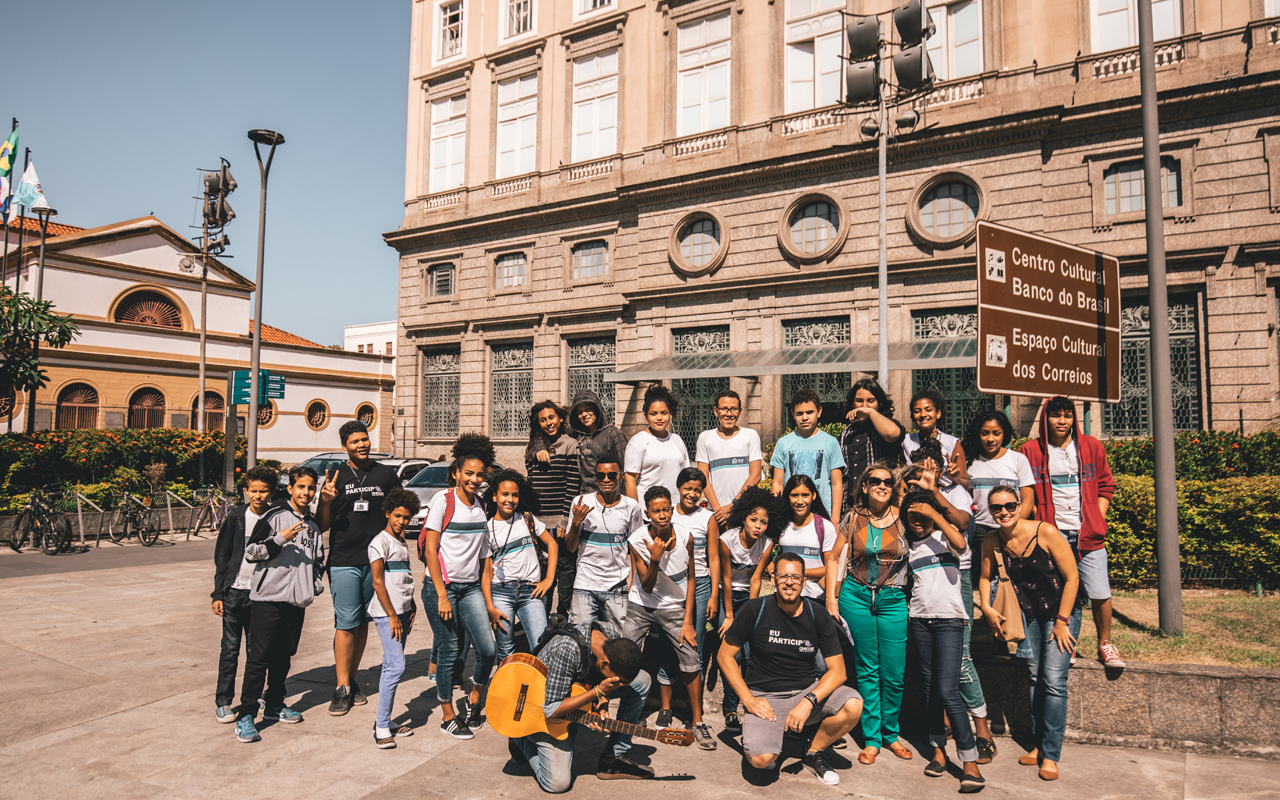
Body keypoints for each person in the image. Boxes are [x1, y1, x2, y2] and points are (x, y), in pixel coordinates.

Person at [717, 553, 864, 787]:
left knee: (853, 704)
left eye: (795, 577)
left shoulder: (818, 615)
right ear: (773, 578)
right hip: (767, 697)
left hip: (807, 691)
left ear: (804, 582)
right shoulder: (755, 609)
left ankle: (812, 751)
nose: (789, 582)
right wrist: (748, 700)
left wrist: (808, 701)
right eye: (783, 575)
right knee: (761, 761)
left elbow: (838, 671)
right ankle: (772, 737)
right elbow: (724, 656)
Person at [978, 485, 1080, 782]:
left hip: (1063, 612)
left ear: (1020, 505)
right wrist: (985, 606)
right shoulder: (992, 540)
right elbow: (985, 578)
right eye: (996, 508)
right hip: (1032, 615)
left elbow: (1073, 577)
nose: (1004, 512)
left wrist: (1062, 621)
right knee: (1035, 677)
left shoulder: (1044, 532)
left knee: (1054, 681)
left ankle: (1050, 753)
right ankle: (1038, 743)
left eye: (1010, 505)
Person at [901, 452, 997, 762]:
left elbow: (961, 533)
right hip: (920, 620)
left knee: (949, 686)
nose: (918, 523)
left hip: (950, 618)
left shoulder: (946, 529)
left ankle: (970, 753)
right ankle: (939, 750)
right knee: (931, 688)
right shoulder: (910, 545)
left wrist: (932, 501)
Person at [1019, 396, 1123, 668]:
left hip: (1087, 533)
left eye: (1067, 415)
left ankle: (1105, 644)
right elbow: (1025, 492)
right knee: (1059, 590)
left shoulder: (1091, 447)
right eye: (1056, 415)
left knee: (1100, 591)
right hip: (1052, 534)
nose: (1062, 421)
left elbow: (1106, 485)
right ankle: (1069, 644)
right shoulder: (1030, 450)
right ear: (1046, 418)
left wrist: (1096, 517)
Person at [232, 466, 326, 744]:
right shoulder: (273, 515)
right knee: (258, 658)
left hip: (296, 602)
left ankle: (274, 704)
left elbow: (318, 561)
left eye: (311, 488)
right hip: (267, 599)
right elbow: (251, 553)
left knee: (284, 656)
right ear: (290, 488)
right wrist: (279, 539)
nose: (306, 493)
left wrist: (314, 585)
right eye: (301, 487)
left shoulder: (313, 526)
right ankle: (246, 714)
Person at [505, 616, 654, 789]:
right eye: (616, 681)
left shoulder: (611, 635)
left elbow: (598, 678)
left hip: (575, 692)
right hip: (543, 707)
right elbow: (551, 709)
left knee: (642, 681)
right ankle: (520, 738)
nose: (617, 686)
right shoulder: (567, 650)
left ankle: (615, 757)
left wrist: (603, 701)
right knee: (557, 784)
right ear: (605, 662)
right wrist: (598, 692)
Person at [317, 420, 403, 716]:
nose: (362, 445)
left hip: (377, 561)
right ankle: (340, 688)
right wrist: (326, 501)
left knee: (364, 621)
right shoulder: (337, 476)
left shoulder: (386, 474)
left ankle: (351, 681)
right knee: (346, 623)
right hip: (344, 560)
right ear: (345, 446)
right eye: (355, 442)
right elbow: (322, 524)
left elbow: (399, 513)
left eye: (364, 439)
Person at [830, 462, 912, 765]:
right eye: (875, 480)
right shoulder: (853, 519)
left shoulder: (904, 519)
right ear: (864, 486)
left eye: (888, 482)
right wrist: (831, 599)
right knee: (867, 668)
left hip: (892, 599)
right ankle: (873, 739)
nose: (881, 485)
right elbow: (833, 556)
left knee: (894, 672)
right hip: (857, 596)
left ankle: (891, 733)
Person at [419, 433, 500, 740]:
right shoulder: (443, 500)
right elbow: (430, 549)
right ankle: (447, 714)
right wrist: (441, 593)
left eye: (479, 475)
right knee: (451, 650)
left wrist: (489, 603)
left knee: (487, 649)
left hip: (471, 590)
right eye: (468, 473)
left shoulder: (481, 506)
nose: (474, 479)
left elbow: (483, 559)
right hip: (442, 588)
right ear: (455, 473)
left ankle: (475, 699)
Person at [623, 486, 716, 750]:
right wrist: (654, 558)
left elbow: (691, 576)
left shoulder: (686, 536)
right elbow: (648, 585)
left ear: (671, 509)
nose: (662, 515)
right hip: (642, 603)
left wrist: (688, 621)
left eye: (665, 510)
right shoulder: (638, 539)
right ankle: (629, 716)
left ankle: (698, 723)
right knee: (626, 655)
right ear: (647, 513)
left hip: (675, 604)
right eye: (656, 511)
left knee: (690, 657)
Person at [653, 467, 719, 730]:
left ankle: (696, 713)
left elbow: (713, 558)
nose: (692, 494)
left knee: (696, 647)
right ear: (678, 488)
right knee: (668, 647)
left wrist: (714, 594)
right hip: (671, 587)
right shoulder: (668, 516)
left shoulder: (708, 518)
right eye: (688, 488)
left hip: (701, 585)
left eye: (697, 490)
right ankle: (666, 708)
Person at [211, 465, 278, 723]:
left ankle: (253, 695)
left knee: (256, 651)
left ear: (271, 492)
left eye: (263, 491)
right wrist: (218, 593)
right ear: (245, 490)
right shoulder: (237, 517)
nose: (257, 496)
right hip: (233, 593)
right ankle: (223, 701)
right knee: (229, 649)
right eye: (253, 491)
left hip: (260, 596)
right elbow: (223, 557)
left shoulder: (274, 518)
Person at [716, 486, 777, 731]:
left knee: (752, 654)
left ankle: (753, 705)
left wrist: (751, 616)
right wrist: (730, 616)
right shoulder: (727, 540)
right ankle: (731, 710)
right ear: (743, 518)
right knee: (734, 654)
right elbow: (727, 579)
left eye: (763, 522)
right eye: (753, 520)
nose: (758, 526)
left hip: (750, 599)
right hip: (727, 597)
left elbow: (755, 580)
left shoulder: (766, 543)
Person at [482, 469, 558, 662]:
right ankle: (506, 690)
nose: (510, 499)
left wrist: (548, 579)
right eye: (505, 494)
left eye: (514, 495)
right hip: (501, 591)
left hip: (530, 593)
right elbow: (485, 571)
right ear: (494, 496)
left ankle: (540, 690)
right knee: (505, 648)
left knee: (542, 646)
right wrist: (489, 606)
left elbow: (552, 544)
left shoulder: (527, 519)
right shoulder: (487, 528)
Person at [565, 455, 643, 634]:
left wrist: (633, 583)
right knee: (581, 641)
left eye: (611, 475)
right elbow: (570, 547)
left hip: (617, 587)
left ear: (620, 476)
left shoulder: (631, 507)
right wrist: (576, 523)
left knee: (620, 642)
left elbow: (636, 550)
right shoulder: (580, 502)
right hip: (584, 585)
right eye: (601, 476)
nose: (606, 480)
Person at [369, 488, 421, 748]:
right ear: (387, 513)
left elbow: (404, 579)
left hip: (402, 612)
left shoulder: (401, 542)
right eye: (398, 516)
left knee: (391, 666)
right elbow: (378, 582)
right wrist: (392, 615)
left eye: (407, 517)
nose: (402, 521)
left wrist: (410, 608)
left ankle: (386, 720)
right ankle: (380, 727)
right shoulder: (380, 542)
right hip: (386, 613)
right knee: (397, 667)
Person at [525, 400, 582, 616]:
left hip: (559, 521)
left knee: (566, 569)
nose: (549, 423)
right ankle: (541, 615)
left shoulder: (570, 444)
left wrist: (565, 520)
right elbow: (531, 484)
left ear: (560, 419)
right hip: (538, 522)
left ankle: (562, 614)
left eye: (551, 418)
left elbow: (572, 484)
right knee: (541, 571)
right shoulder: (533, 446)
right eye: (543, 420)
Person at [770, 387, 846, 523]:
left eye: (809, 412)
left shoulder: (830, 443)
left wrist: (835, 519)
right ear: (792, 414)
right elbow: (777, 483)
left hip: (823, 516)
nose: (804, 417)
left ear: (819, 412)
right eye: (800, 413)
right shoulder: (783, 443)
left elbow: (836, 484)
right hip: (790, 515)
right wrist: (776, 515)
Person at [695, 389, 763, 527]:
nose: (729, 414)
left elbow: (755, 475)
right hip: (716, 513)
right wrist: (719, 511)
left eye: (733, 409)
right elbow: (703, 478)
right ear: (716, 411)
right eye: (724, 409)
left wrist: (733, 507)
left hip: (744, 511)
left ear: (740, 411)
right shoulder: (705, 438)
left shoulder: (751, 435)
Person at [839, 378, 906, 514]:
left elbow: (892, 433)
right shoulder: (846, 432)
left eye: (870, 401)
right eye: (859, 401)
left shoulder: (887, 425)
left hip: (881, 504)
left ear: (879, 403)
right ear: (852, 403)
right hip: (851, 505)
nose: (864, 405)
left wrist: (870, 412)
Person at [624, 385, 690, 502]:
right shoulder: (638, 441)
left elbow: (686, 476)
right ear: (645, 415)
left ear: (670, 414)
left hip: (676, 511)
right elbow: (629, 480)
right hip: (648, 514)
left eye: (663, 413)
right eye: (653, 414)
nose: (659, 418)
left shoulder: (677, 440)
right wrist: (635, 514)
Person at [778, 474, 837, 601]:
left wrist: (796, 574)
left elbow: (830, 567)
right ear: (787, 497)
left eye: (805, 495)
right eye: (794, 495)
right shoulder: (780, 525)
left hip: (814, 598)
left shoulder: (825, 527)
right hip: (783, 597)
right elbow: (768, 558)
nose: (800, 501)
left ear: (813, 496)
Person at [902, 389, 969, 491]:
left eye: (928, 410)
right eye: (917, 411)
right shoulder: (906, 441)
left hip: (945, 498)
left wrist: (956, 478)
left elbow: (966, 485)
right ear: (912, 416)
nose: (923, 414)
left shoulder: (952, 443)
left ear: (938, 413)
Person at [568, 389, 629, 495]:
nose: (584, 414)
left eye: (588, 409)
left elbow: (625, 468)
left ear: (597, 409)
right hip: (585, 495)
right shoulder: (575, 433)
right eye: (580, 412)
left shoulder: (613, 434)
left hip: (608, 496)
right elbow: (550, 432)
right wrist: (540, 447)